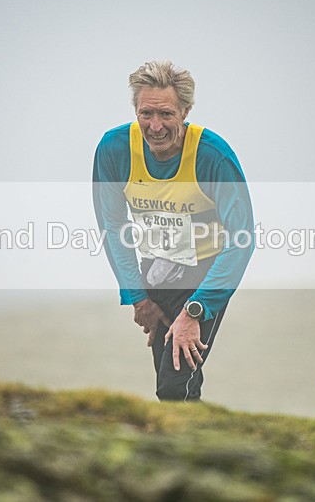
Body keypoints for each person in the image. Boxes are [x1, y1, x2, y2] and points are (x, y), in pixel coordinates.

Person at [93, 60, 254, 401]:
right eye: (146, 113)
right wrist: (137, 295)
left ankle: (193, 451)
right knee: (172, 384)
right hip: (157, 273)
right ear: (135, 110)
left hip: (206, 275)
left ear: (185, 111)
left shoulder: (213, 157)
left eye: (166, 114)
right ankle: (197, 450)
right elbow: (113, 225)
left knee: (173, 385)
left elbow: (241, 240)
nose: (155, 126)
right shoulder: (114, 150)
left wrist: (197, 309)